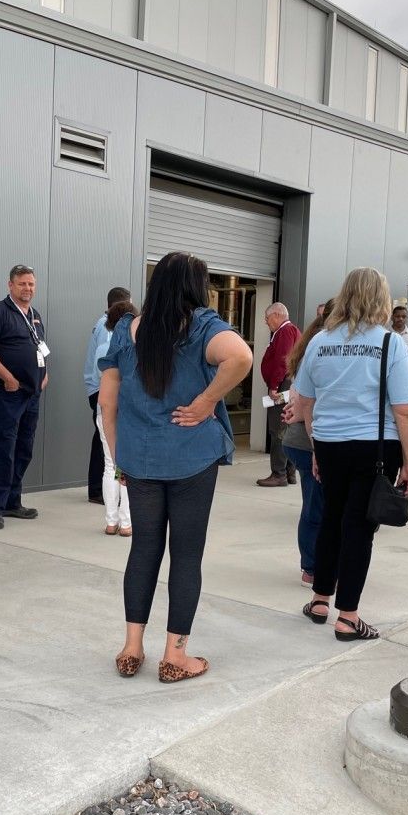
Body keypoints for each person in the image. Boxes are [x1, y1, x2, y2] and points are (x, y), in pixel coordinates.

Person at [98, 251, 253, 683]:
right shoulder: (203, 325)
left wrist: (119, 457)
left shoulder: (127, 332)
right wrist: (205, 403)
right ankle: (174, 656)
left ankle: (131, 649)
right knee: (186, 554)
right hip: (191, 458)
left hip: (141, 459)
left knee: (143, 547)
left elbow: (108, 404)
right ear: (195, 286)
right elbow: (241, 357)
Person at [292, 269, 408, 642]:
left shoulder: (319, 342)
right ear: (381, 298)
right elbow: (405, 411)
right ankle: (348, 616)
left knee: (331, 519)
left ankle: (320, 599)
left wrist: (317, 449)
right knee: (359, 529)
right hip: (375, 447)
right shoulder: (390, 343)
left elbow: (306, 402)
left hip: (330, 445)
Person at [0, 265, 48, 530]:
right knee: (3, 449)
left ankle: (12, 502)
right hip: (8, 394)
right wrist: (7, 377)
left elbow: (40, 348)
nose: (27, 288)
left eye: (31, 284)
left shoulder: (35, 316)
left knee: (24, 449)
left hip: (32, 394)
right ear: (10, 285)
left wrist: (44, 373)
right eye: (22, 284)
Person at [281, 300, 332, 587]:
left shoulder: (310, 344)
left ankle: (316, 564)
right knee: (316, 506)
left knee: (317, 505)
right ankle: (311, 567)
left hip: (303, 439)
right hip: (309, 441)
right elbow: (304, 400)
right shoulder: (322, 348)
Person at [84, 287, 133, 504]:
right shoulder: (109, 331)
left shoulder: (105, 325)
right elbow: (105, 366)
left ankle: (103, 494)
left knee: (104, 445)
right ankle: (100, 492)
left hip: (100, 388)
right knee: (109, 450)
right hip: (103, 390)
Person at [95, 299, 138, 537]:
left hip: (104, 410)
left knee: (110, 465)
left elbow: (95, 381)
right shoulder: (133, 349)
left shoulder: (103, 348)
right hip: (127, 412)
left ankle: (111, 521)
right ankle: (127, 522)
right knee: (127, 467)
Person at [257, 302, 301, 488]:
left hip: (282, 385)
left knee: (278, 430)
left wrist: (273, 385)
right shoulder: (291, 331)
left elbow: (282, 360)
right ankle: (289, 472)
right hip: (288, 385)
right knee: (286, 427)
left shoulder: (284, 332)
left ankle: (279, 473)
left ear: (276, 315)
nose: (266, 323)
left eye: (267, 319)